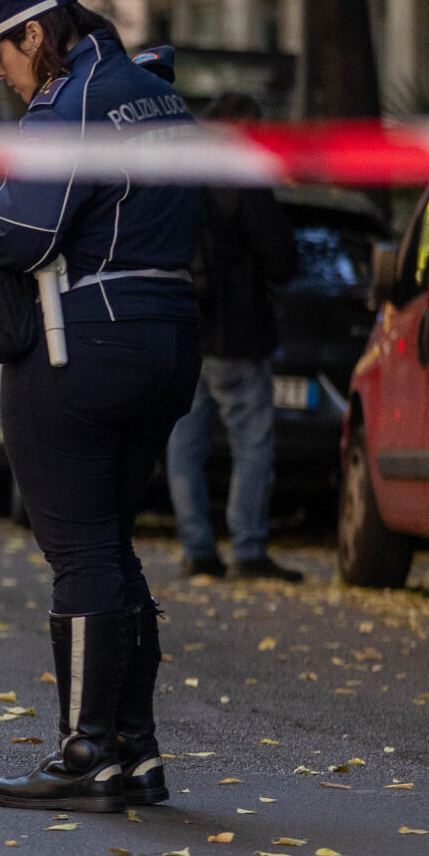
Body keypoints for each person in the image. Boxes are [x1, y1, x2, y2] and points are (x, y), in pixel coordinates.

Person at [0, 0, 202, 811]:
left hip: (84, 342)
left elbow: (25, 236)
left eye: (0, 55)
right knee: (111, 546)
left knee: (80, 551)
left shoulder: (70, 102)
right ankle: (136, 751)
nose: (0, 74)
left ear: (35, 34)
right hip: (165, 335)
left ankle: (86, 755)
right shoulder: (153, 93)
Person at [166, 91, 303, 583]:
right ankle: (247, 549)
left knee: (185, 442)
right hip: (237, 332)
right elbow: (281, 258)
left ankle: (197, 549)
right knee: (252, 441)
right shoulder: (242, 177)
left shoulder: (179, 176)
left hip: (185, 328)